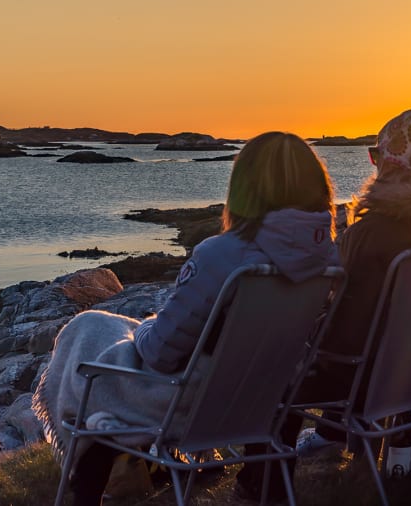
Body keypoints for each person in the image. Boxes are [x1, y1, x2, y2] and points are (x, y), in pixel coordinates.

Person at [32, 131, 339, 506]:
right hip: (270, 393)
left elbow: (162, 354)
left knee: (89, 343)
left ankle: (82, 490)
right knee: (101, 327)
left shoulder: (220, 256)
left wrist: (146, 326)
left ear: (246, 188)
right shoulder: (329, 260)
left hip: (197, 404)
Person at [262, 110, 411, 487]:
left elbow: (339, 310)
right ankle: (357, 444)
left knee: (277, 373)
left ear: (389, 161)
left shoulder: (371, 233)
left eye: (376, 155)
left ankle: (260, 487)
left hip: (368, 376)